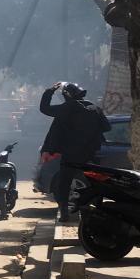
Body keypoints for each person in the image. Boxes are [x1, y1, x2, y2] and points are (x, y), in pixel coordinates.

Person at [40, 82, 111, 222]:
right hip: (91, 153)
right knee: (96, 183)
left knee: (64, 183)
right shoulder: (94, 108)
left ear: (67, 96)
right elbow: (106, 127)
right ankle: (98, 210)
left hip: (71, 154)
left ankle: (65, 213)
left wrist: (50, 91)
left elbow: (45, 108)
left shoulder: (68, 107)